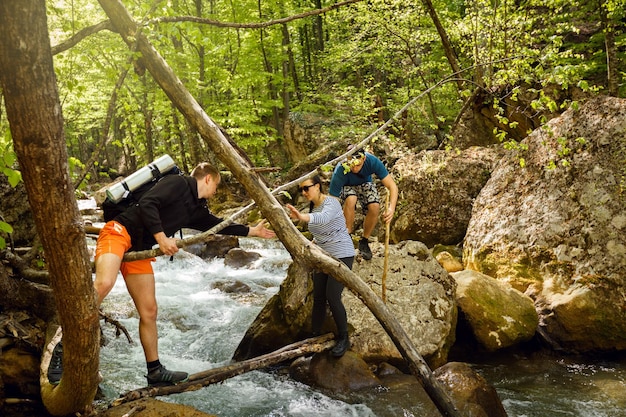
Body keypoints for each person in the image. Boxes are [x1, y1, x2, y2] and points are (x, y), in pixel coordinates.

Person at [47, 162, 275, 387]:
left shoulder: (196, 208)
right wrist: (162, 238)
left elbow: (216, 225)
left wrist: (251, 231)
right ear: (208, 179)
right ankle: (61, 347)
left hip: (140, 250)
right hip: (119, 232)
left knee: (149, 311)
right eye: (216, 185)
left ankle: (154, 370)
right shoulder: (177, 183)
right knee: (104, 283)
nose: (215, 192)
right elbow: (148, 203)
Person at [286, 175, 354, 357]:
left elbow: (323, 219)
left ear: (317, 186)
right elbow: (323, 230)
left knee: (333, 296)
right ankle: (314, 336)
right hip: (322, 256)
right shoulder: (313, 207)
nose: (303, 192)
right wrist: (313, 243)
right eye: (301, 190)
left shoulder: (331, 203)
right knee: (318, 298)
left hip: (342, 254)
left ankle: (344, 338)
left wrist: (301, 217)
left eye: (306, 188)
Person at [329, 148, 398, 260]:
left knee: (374, 206)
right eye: (352, 165)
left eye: (358, 165)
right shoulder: (340, 170)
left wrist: (391, 208)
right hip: (346, 186)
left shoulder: (372, 161)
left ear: (364, 159)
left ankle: (364, 241)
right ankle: (347, 237)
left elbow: (392, 186)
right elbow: (332, 200)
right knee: (351, 199)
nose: (355, 168)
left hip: (365, 183)